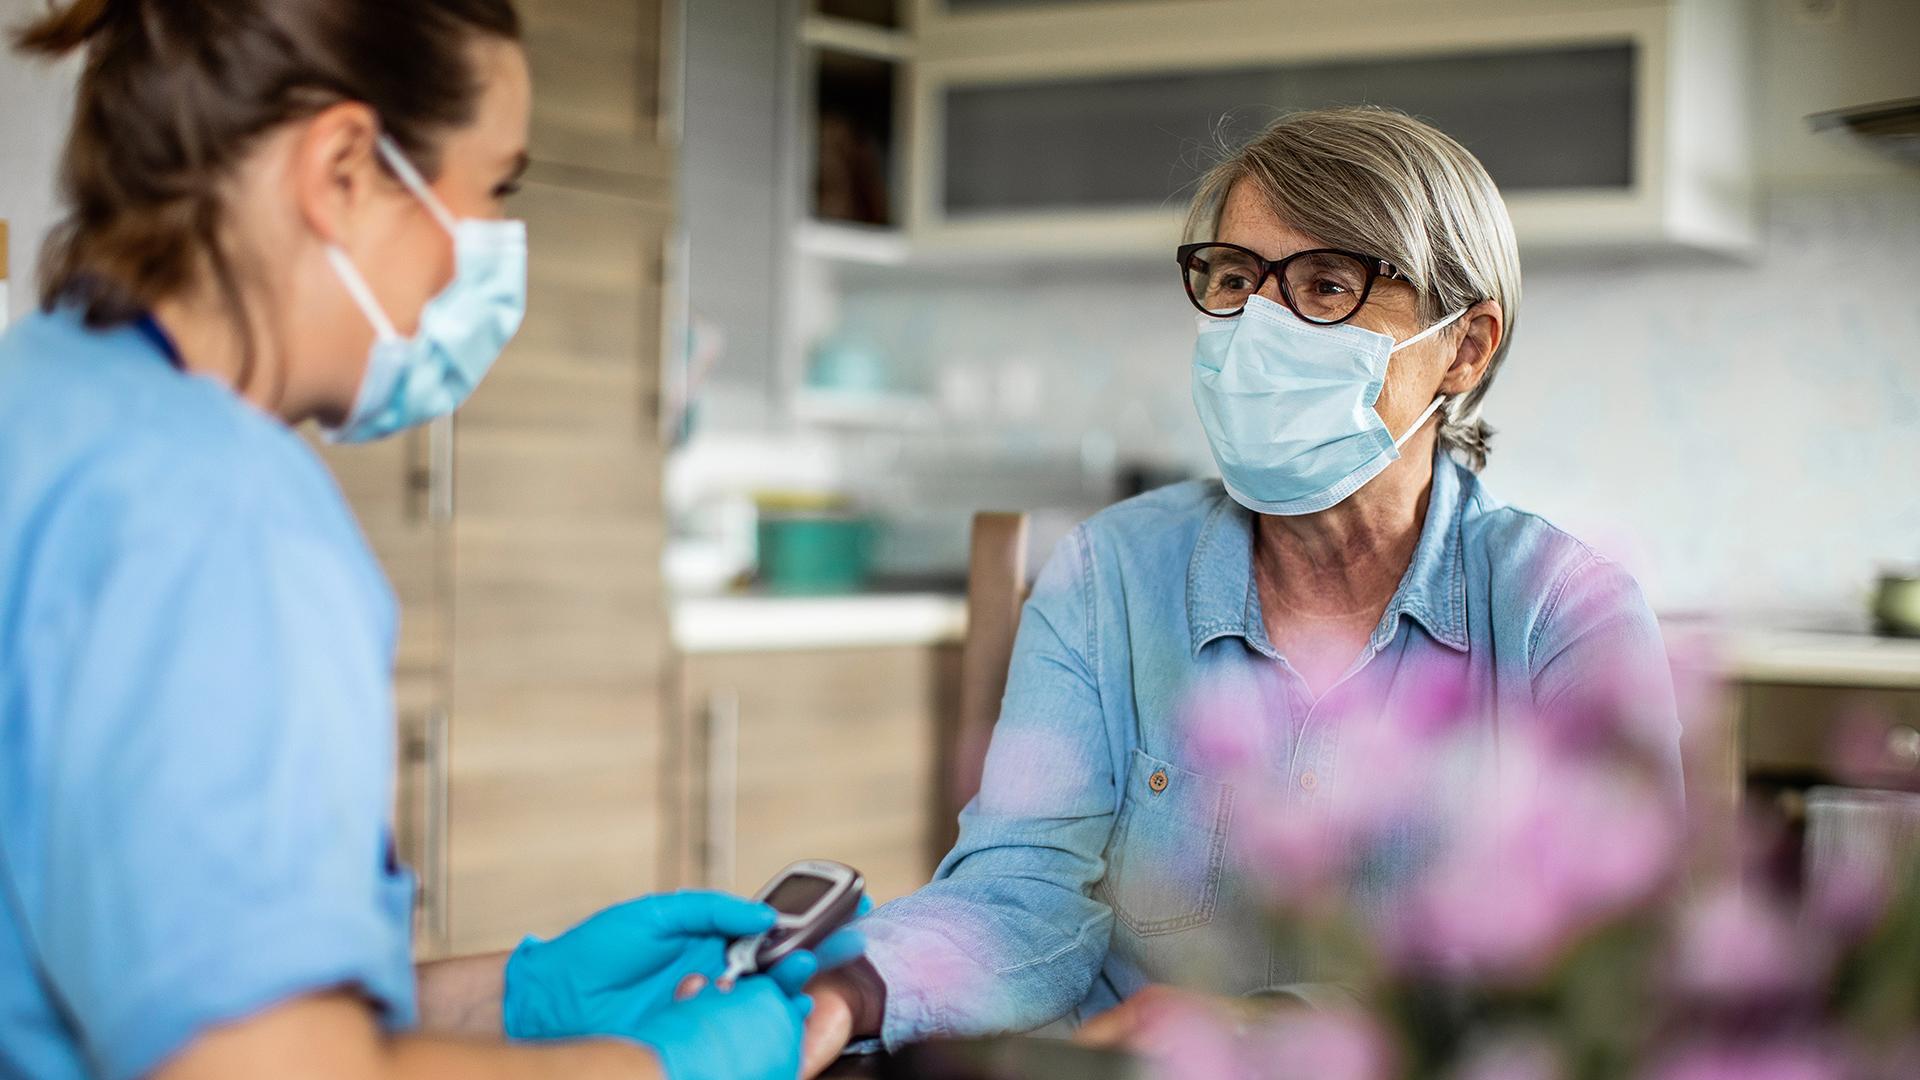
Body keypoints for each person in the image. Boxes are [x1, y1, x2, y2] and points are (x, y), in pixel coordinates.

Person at [0, 2, 857, 1078]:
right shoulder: (220, 518)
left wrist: (517, 998)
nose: (481, 267)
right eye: (490, 190)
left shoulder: (40, 402)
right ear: (345, 170)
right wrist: (664, 1073)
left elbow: (164, 966)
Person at [800, 106, 1685, 1074]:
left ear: (1464, 349)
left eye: (1326, 286)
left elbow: (1601, 980)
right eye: (1233, 280)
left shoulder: (1566, 615)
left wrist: (1257, 1029)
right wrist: (853, 987)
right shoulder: (1109, 578)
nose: (1258, 327)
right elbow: (1020, 897)